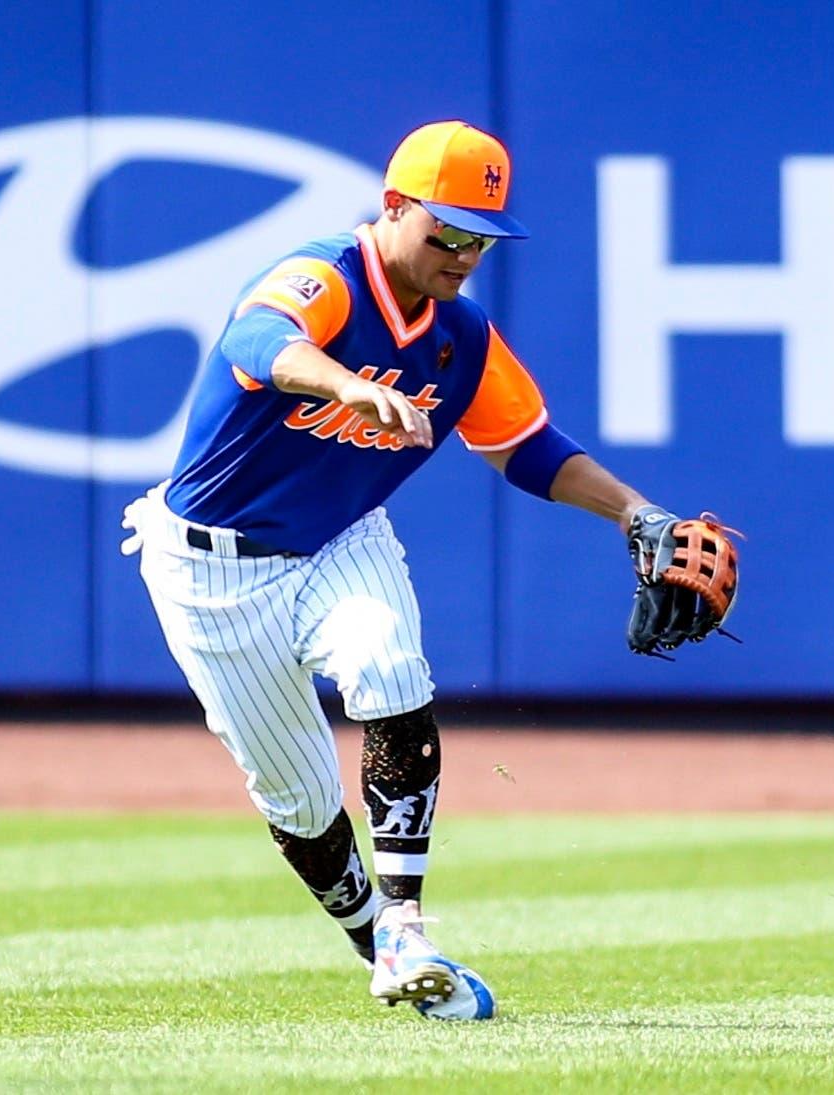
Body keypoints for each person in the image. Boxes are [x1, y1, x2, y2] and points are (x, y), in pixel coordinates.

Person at [119, 120, 733, 1021]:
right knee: (296, 798)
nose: (463, 251)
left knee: (390, 668)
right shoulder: (326, 274)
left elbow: (529, 447)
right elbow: (258, 337)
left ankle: (407, 921)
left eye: (479, 236)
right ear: (394, 208)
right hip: (210, 569)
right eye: (445, 229)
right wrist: (339, 382)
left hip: (341, 539)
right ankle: (382, 946)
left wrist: (636, 512)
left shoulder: (464, 337)